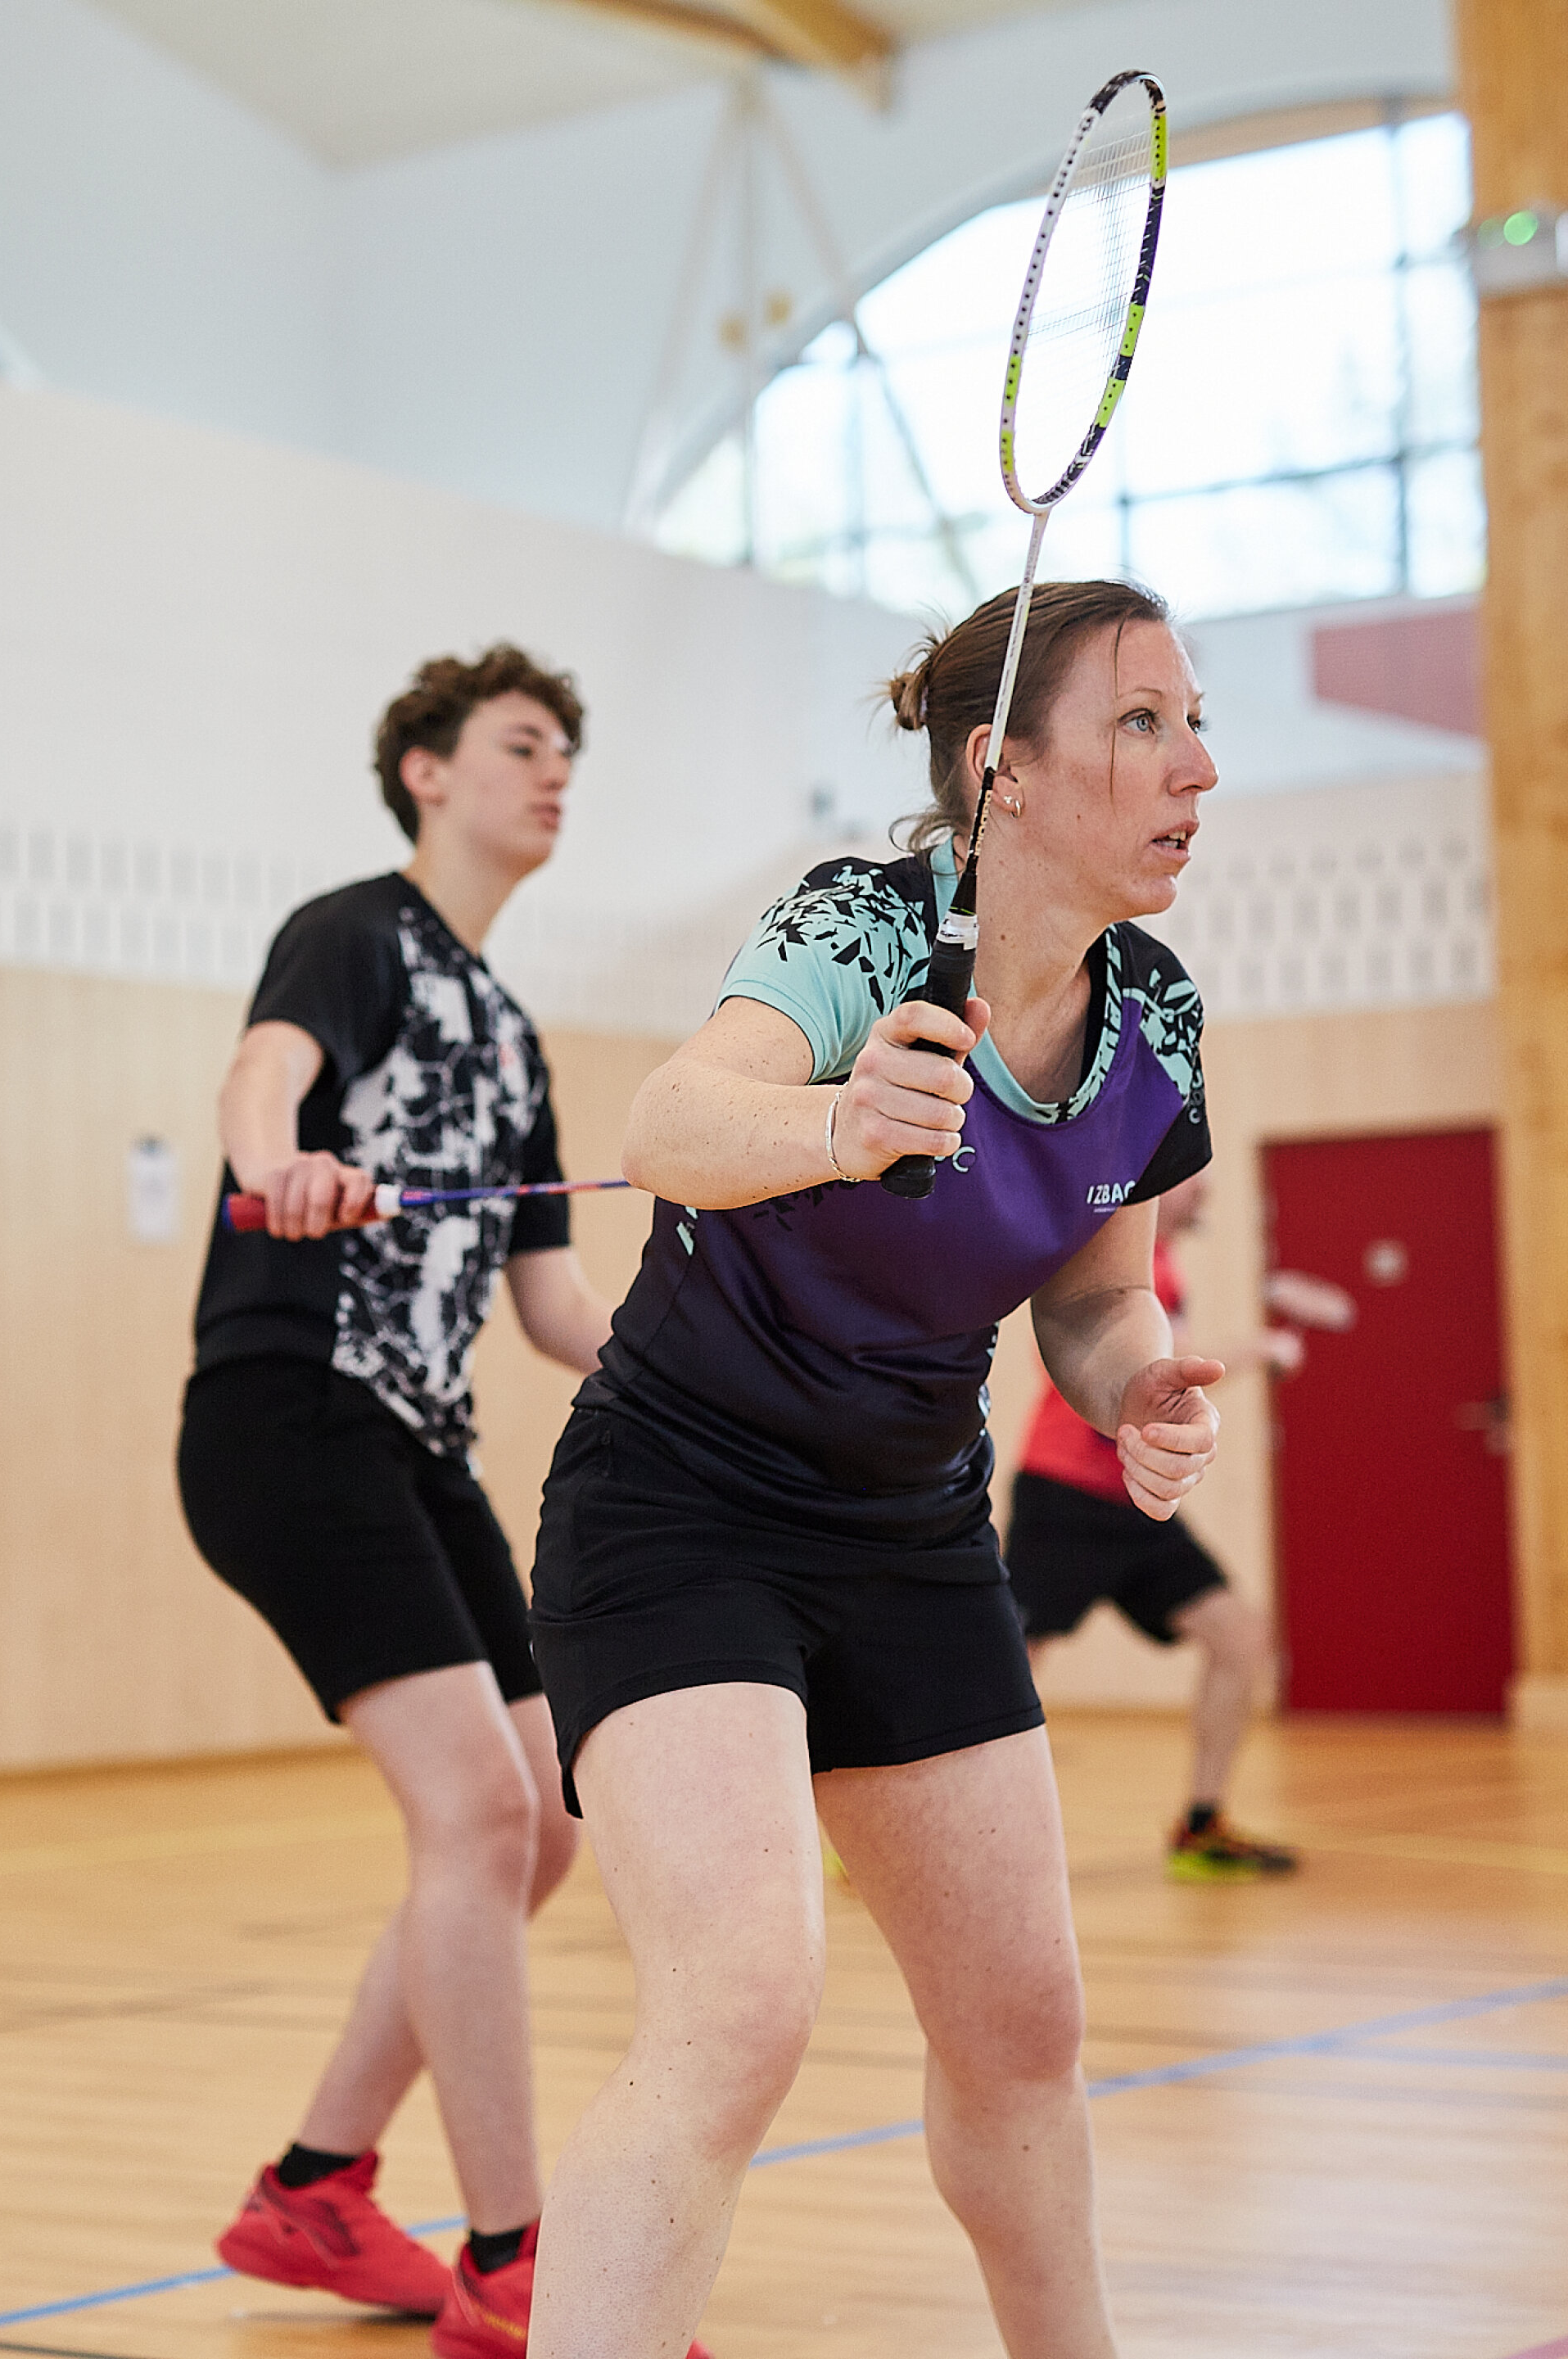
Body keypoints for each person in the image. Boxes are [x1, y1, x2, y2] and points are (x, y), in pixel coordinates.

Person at [523, 578, 1224, 2359]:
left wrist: (1138, 1386)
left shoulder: (1155, 1017)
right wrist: (841, 1120)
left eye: (1194, 722)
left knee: (1024, 2028)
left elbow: (1097, 1293)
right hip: (683, 1509)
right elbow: (669, 1125)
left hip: (912, 1527)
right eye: (1142, 722)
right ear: (1002, 769)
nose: (1196, 767)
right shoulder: (862, 925)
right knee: (741, 2009)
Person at [177, 646, 612, 2359]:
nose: (556, 772)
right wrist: (274, 1161)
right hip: (293, 1413)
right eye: (524, 743)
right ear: (428, 771)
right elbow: (262, 1074)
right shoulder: (355, 932)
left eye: (569, 752)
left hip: (421, 1442)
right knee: (480, 1814)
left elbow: (553, 1306)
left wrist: (722, 1346)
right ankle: (513, 2265)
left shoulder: (515, 1038)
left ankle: (314, 2185)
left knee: (544, 1818)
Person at [1007, 1168, 1302, 1881]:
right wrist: (1261, 1348)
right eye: (1190, 1180)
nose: (1204, 1191)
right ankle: (896, 1825)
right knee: (1004, 1662)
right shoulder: (1114, 1267)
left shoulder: (1166, 1269)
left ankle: (1202, 1824)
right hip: (1064, 1495)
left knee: (1240, 1637)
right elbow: (1160, 1373)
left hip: (1136, 1501)